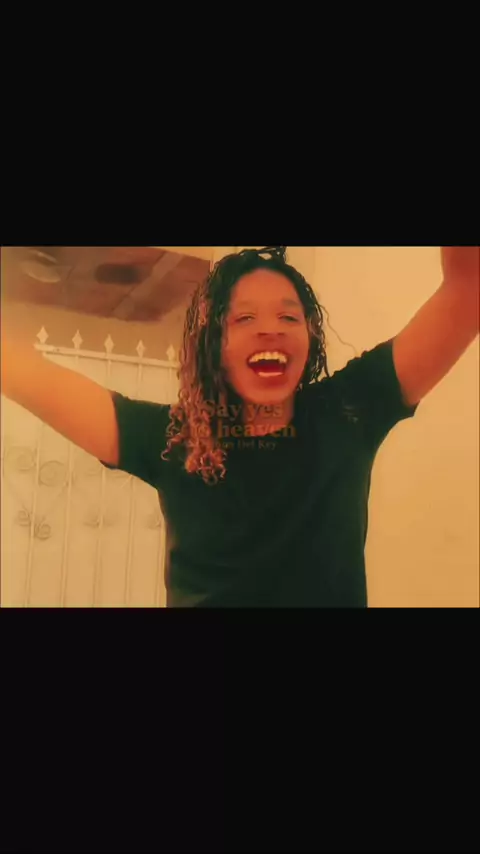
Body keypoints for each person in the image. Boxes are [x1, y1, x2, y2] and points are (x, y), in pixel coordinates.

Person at [2, 246, 478, 607]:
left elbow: (468, 289)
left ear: (309, 336)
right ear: (214, 344)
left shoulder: (349, 410)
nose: (270, 328)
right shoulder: (172, 439)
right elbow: (28, 374)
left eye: (288, 316)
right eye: (244, 317)